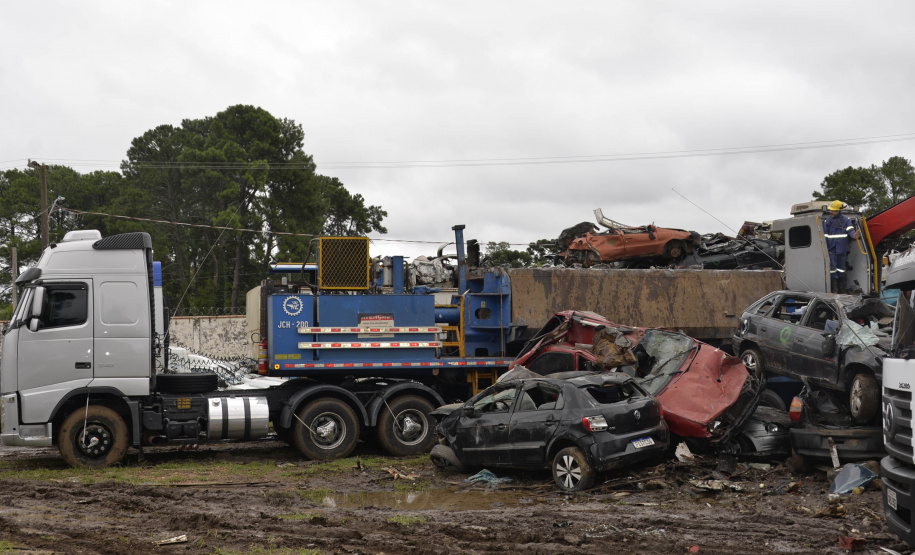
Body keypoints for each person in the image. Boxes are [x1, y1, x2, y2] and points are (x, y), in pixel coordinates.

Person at [823, 200, 857, 293]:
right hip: (831, 250)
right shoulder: (827, 221)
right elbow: (824, 236)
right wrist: (826, 249)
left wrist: (854, 235)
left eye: (833, 210)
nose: (831, 212)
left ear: (838, 211)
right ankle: (835, 289)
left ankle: (841, 288)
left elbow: (851, 230)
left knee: (841, 269)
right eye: (831, 210)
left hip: (841, 249)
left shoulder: (846, 220)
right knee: (832, 269)